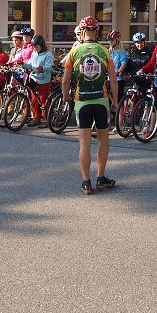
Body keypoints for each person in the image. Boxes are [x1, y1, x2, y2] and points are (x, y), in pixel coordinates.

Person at [62, 16, 118, 195]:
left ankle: (86, 182)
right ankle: (101, 177)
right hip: (101, 100)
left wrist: (66, 97)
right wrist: (115, 101)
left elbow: (65, 81)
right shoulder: (105, 51)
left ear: (82, 31)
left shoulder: (75, 52)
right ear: (97, 31)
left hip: (82, 101)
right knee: (103, 140)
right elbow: (113, 80)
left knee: (84, 143)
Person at [28, 35, 54, 126]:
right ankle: (36, 118)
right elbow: (30, 64)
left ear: (41, 45)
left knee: (44, 100)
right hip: (34, 79)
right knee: (34, 100)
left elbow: (49, 67)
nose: (35, 48)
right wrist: (22, 64)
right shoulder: (34, 53)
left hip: (44, 80)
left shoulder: (48, 54)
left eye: (36, 46)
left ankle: (47, 119)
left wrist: (42, 68)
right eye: (33, 46)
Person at [107, 31, 128, 104]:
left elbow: (124, 63)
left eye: (112, 40)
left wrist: (119, 71)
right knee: (109, 101)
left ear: (117, 40)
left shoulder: (122, 52)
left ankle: (119, 112)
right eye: (109, 40)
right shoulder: (109, 52)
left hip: (118, 79)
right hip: (109, 79)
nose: (110, 42)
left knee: (118, 101)